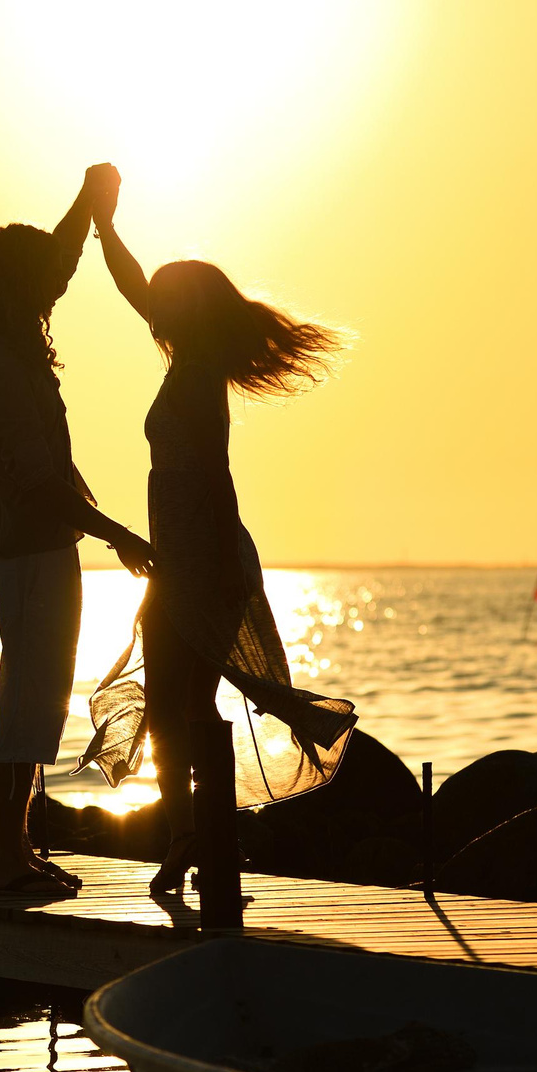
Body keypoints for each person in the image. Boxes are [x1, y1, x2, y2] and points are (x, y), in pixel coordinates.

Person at [79, 166, 358, 893]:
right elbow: (135, 285)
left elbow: (212, 481)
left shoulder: (198, 373)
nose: (154, 309)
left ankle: (196, 839)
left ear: (186, 311)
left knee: (183, 704)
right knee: (179, 706)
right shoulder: (185, 358)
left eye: (167, 301)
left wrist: (198, 568)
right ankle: (192, 837)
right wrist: (104, 225)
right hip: (183, 558)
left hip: (201, 557)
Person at [0, 166, 153, 897]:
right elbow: (40, 485)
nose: (53, 287)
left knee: (38, 703)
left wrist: (88, 199)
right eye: (36, 279)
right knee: (25, 709)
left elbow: (59, 263)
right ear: (15, 285)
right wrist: (119, 535)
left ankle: (22, 851)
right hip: (34, 545)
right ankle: (6, 859)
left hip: (41, 545)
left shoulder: (5, 331)